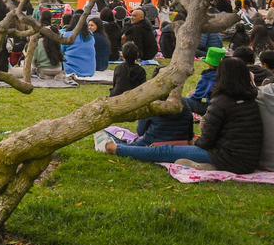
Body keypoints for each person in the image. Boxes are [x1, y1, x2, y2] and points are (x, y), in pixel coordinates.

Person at [98, 56, 263, 173]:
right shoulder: (250, 101)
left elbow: (207, 142)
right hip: (247, 161)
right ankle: (202, 165)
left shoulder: (221, 102)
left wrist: (196, 142)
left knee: (165, 151)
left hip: (226, 159)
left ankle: (117, 149)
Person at [184, 47, 225, 115]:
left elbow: (203, 98)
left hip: (207, 107)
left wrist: (193, 95)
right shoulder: (224, 75)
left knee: (181, 101)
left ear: (210, 63)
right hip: (219, 108)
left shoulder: (210, 76)